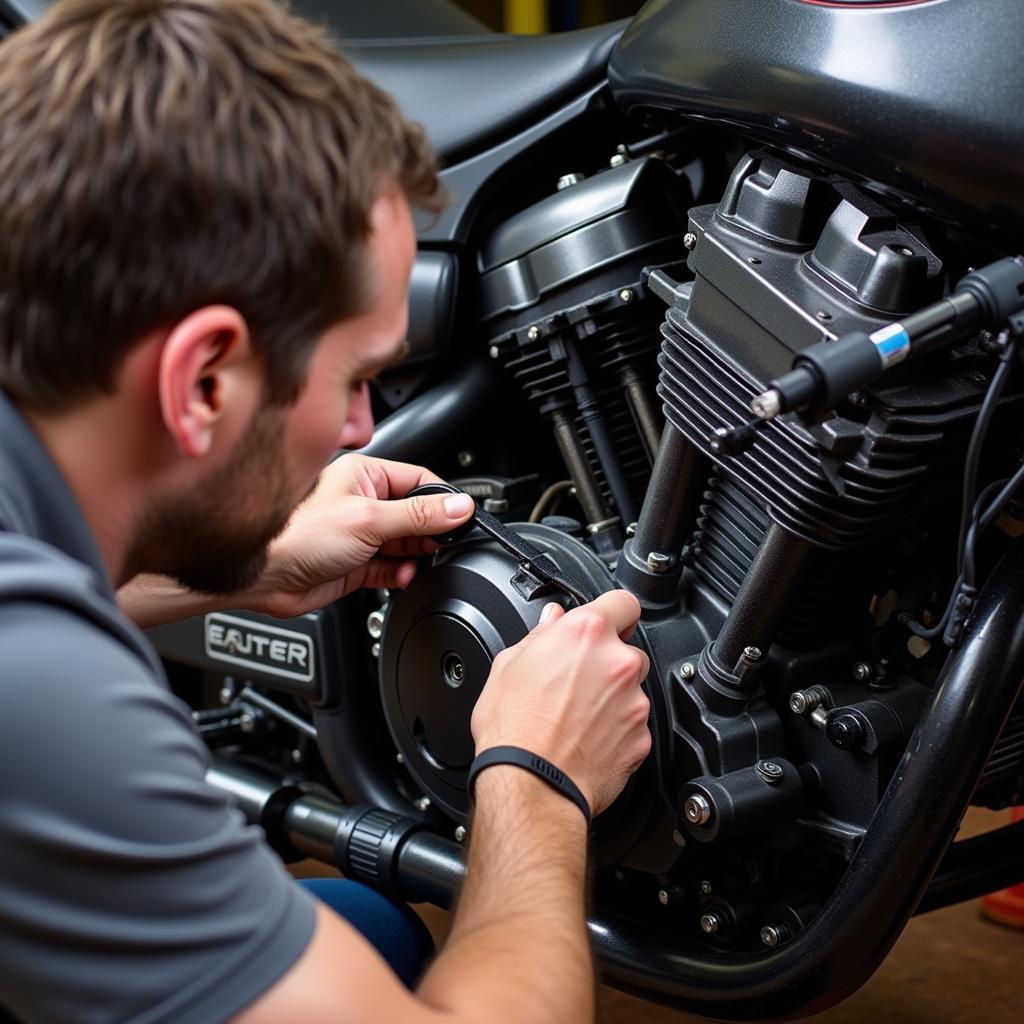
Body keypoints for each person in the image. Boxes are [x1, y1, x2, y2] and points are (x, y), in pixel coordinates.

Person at [0, 1, 652, 1022]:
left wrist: (246, 562)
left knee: (365, 928)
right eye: (353, 379)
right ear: (204, 379)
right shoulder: (39, 690)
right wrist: (536, 775)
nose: (360, 429)